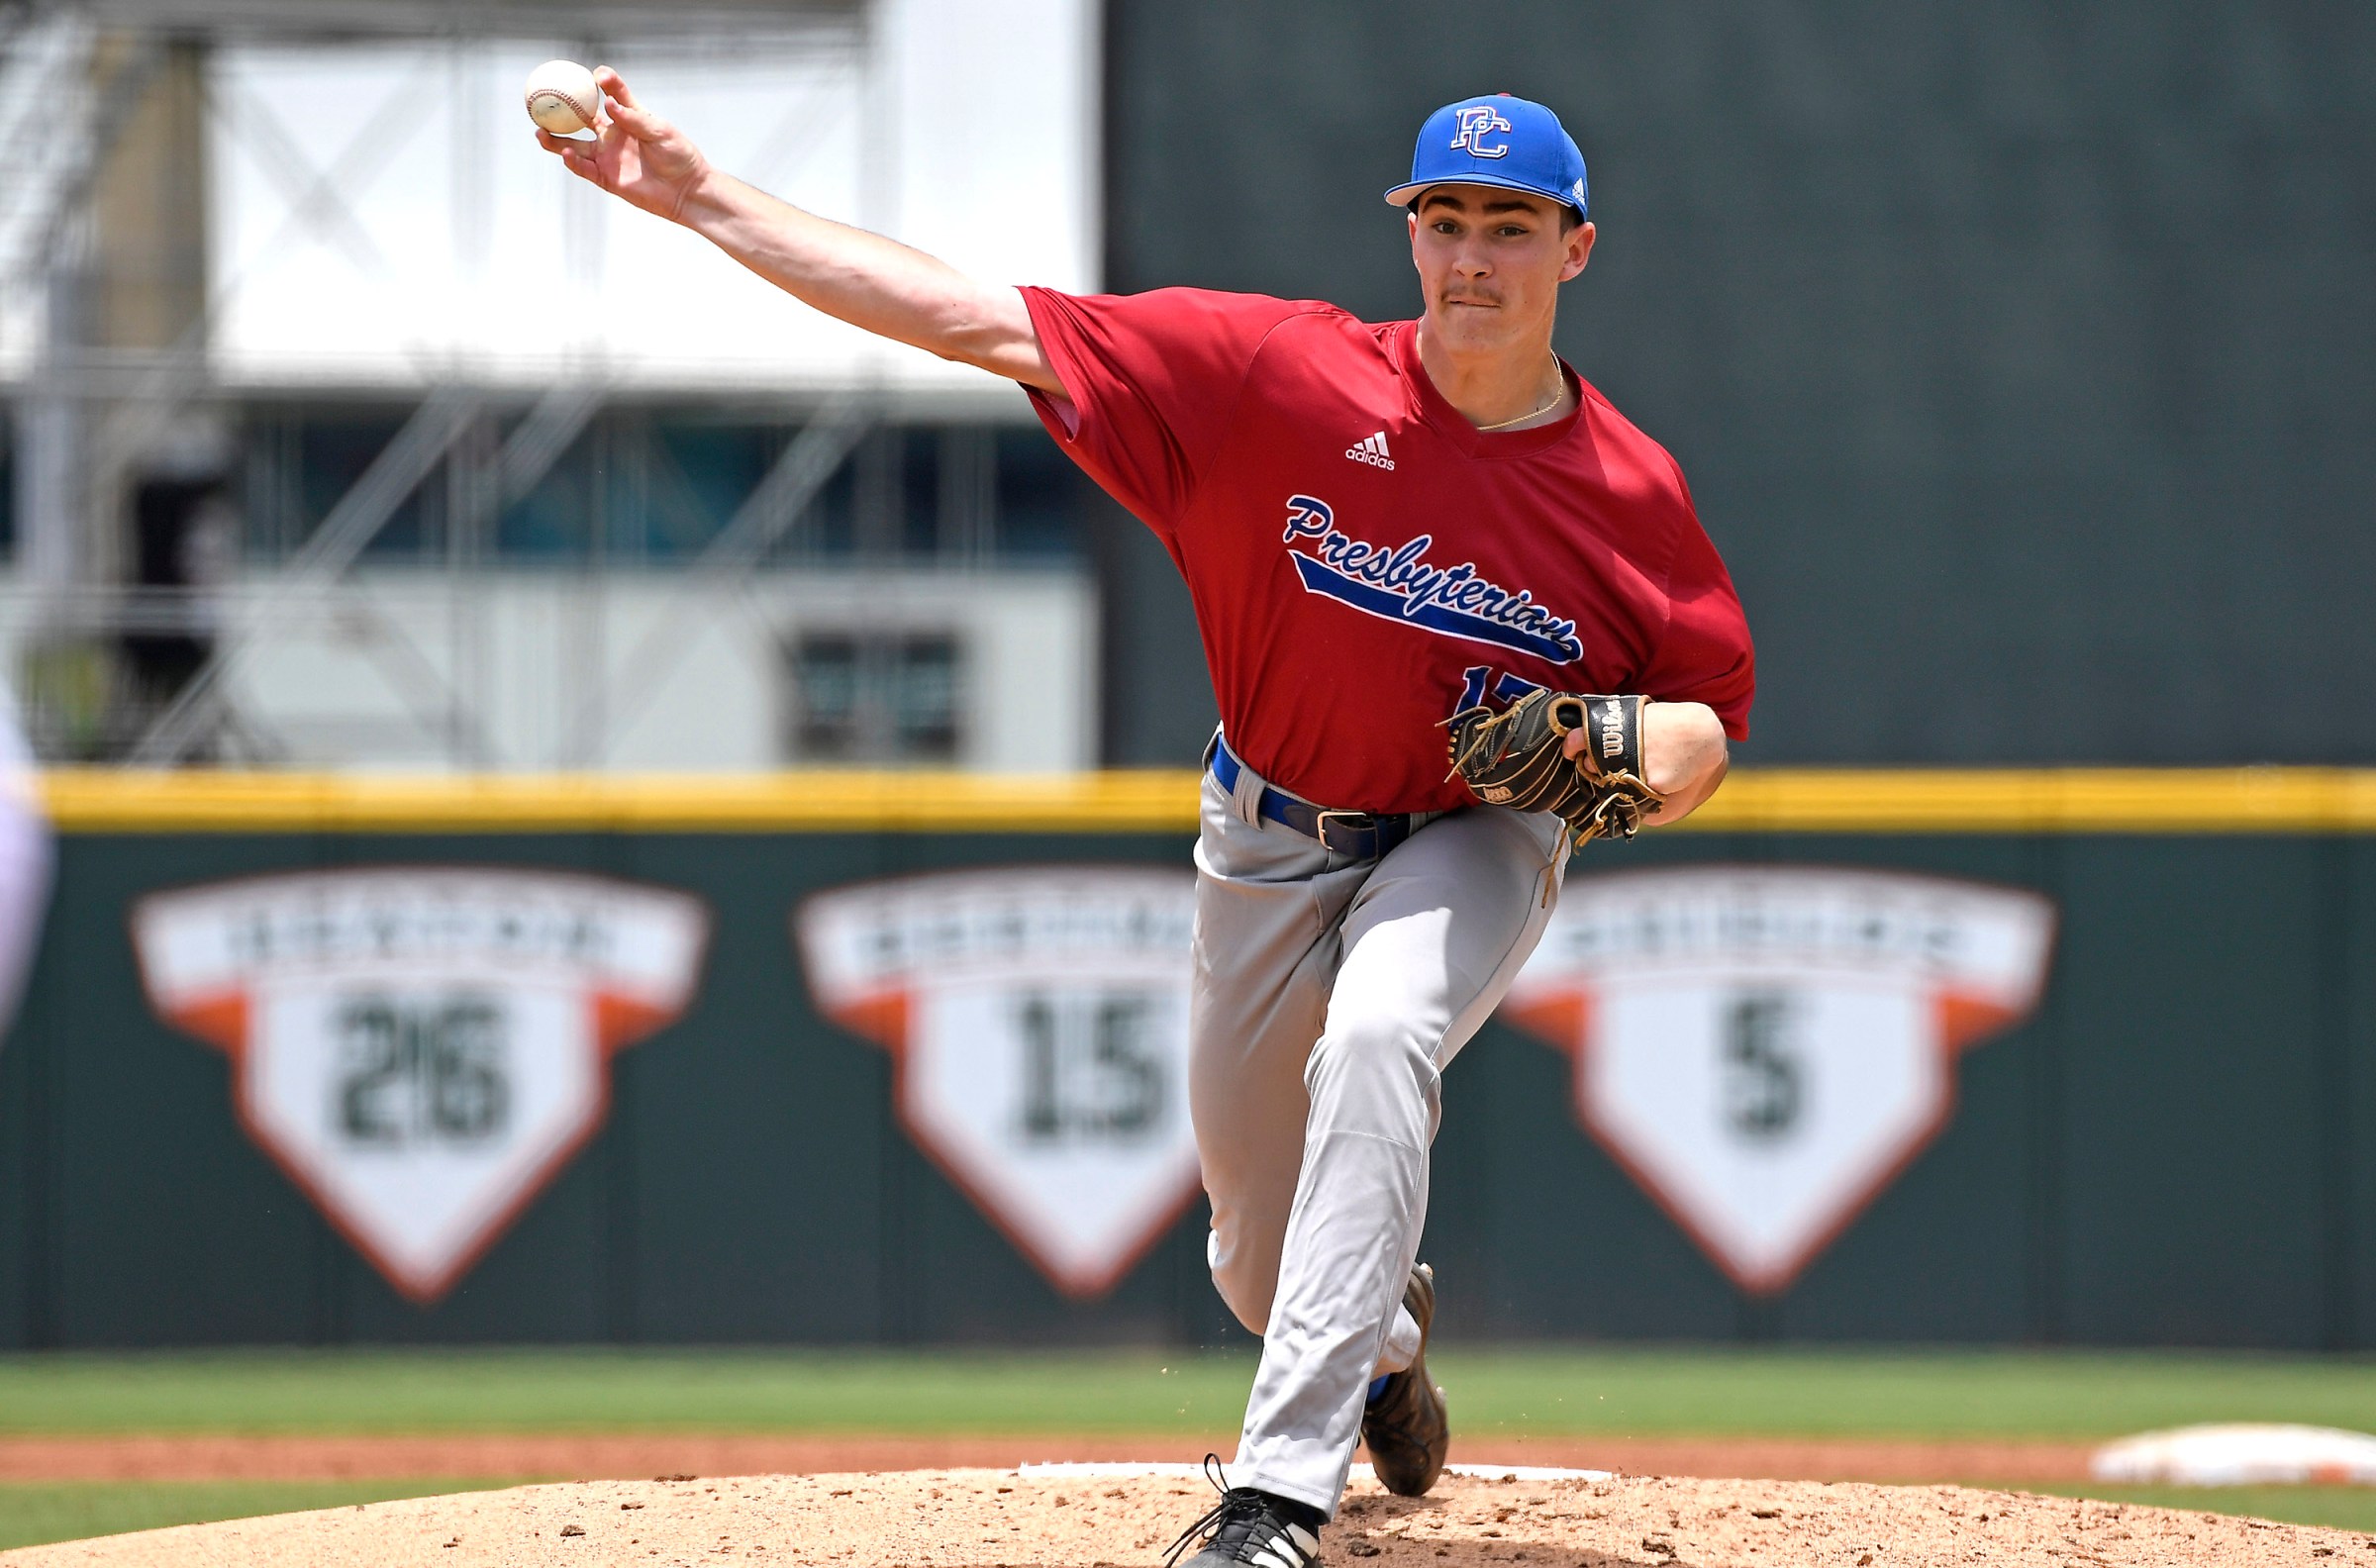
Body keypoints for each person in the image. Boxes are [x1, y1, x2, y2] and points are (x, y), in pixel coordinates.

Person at [542, 79, 1752, 1567]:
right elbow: (975, 319)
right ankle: (1379, 1342)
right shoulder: (1278, 380)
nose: (1472, 259)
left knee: (1381, 1038)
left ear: (1575, 249)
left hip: (1472, 834)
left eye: (1512, 226)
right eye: (1446, 222)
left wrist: (1635, 747)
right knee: (1257, 1261)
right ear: (1413, 237)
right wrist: (701, 197)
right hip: (1270, 831)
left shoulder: (1628, 489)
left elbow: (1705, 720)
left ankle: (1275, 1497)